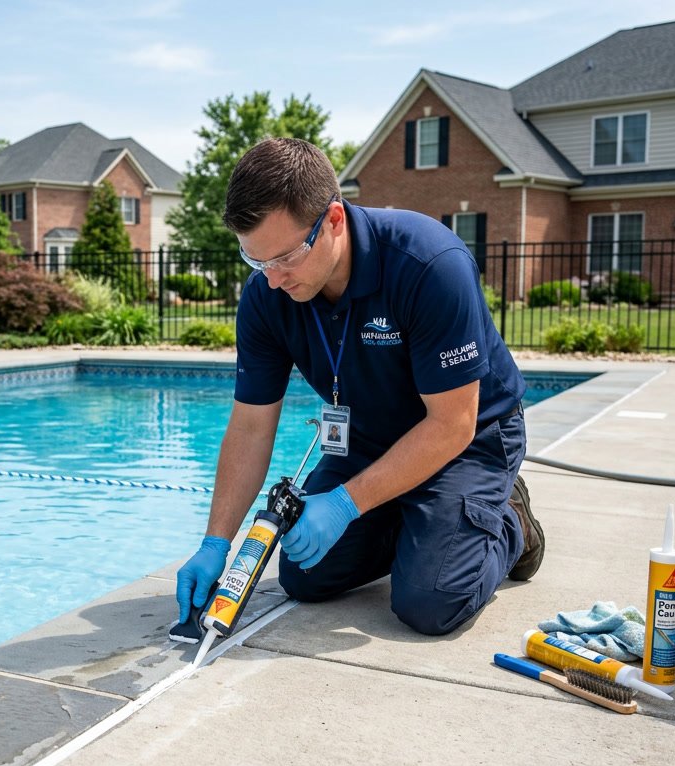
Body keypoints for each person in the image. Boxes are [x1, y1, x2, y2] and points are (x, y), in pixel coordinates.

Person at [175, 137, 545, 636]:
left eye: (285, 257)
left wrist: (346, 504)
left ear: (332, 220)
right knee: (304, 575)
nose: (274, 279)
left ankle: (509, 521)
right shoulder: (266, 294)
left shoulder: (429, 264)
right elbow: (250, 429)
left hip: (469, 439)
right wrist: (216, 543)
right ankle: (421, 521)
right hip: (369, 441)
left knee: (430, 603)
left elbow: (453, 423)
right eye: (255, 260)